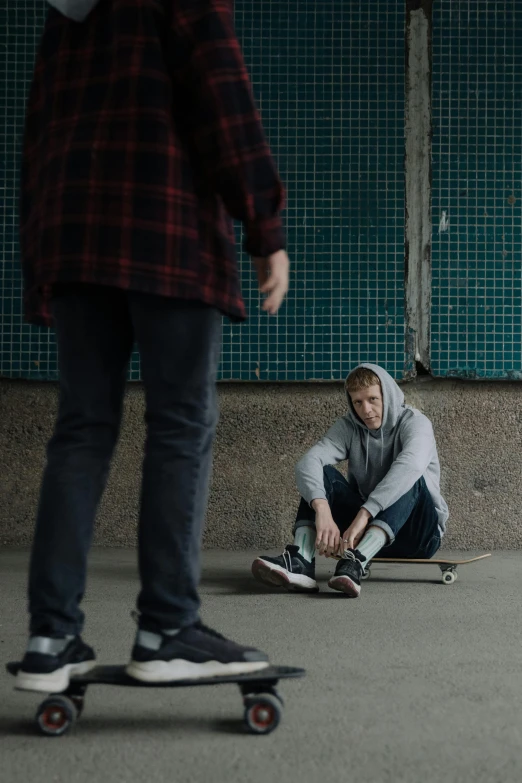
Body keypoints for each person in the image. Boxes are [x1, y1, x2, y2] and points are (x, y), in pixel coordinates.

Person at [16, 0, 289, 692]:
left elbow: (38, 130)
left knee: (80, 430)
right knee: (179, 424)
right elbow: (222, 94)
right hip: (164, 229)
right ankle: (167, 625)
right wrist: (264, 225)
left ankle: (51, 636)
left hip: (75, 239)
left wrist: (40, 260)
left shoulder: (66, 9)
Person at [252, 364, 449, 597]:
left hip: (419, 536)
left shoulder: (416, 423)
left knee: (411, 477)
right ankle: (301, 561)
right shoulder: (350, 427)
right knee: (321, 473)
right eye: (358, 402)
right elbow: (309, 462)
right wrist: (321, 508)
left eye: (373, 399)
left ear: (388, 395)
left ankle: (356, 561)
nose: (366, 410)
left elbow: (411, 466)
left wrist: (364, 514)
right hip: (364, 532)